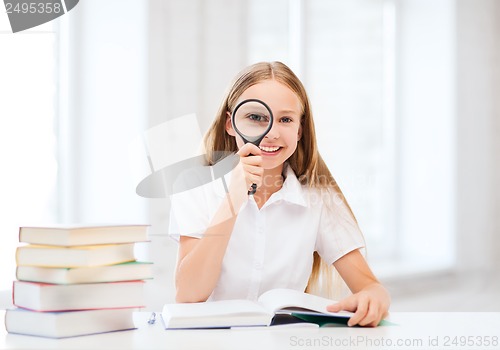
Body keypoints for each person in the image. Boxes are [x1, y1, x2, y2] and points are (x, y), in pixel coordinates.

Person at [169, 61, 390, 327]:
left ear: (299, 130)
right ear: (230, 124)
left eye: (285, 119)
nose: (272, 133)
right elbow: (188, 294)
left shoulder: (318, 198)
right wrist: (234, 196)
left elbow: (371, 287)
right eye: (256, 117)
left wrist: (374, 298)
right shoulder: (196, 188)